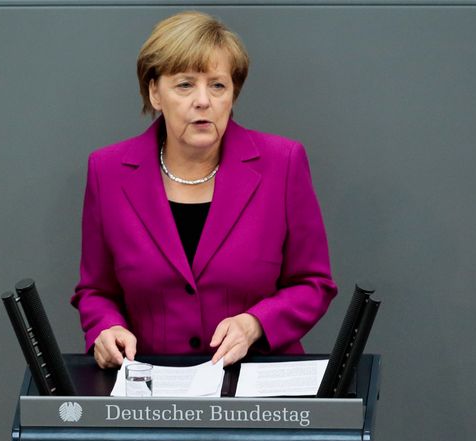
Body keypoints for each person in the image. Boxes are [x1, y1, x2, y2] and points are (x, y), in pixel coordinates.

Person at [71, 11, 337, 369]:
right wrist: (106, 328)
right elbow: (96, 291)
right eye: (184, 85)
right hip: (153, 392)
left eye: (217, 85)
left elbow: (313, 283)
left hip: (257, 392)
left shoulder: (282, 164)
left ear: (232, 94)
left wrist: (255, 323)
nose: (203, 100)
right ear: (154, 92)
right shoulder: (108, 171)